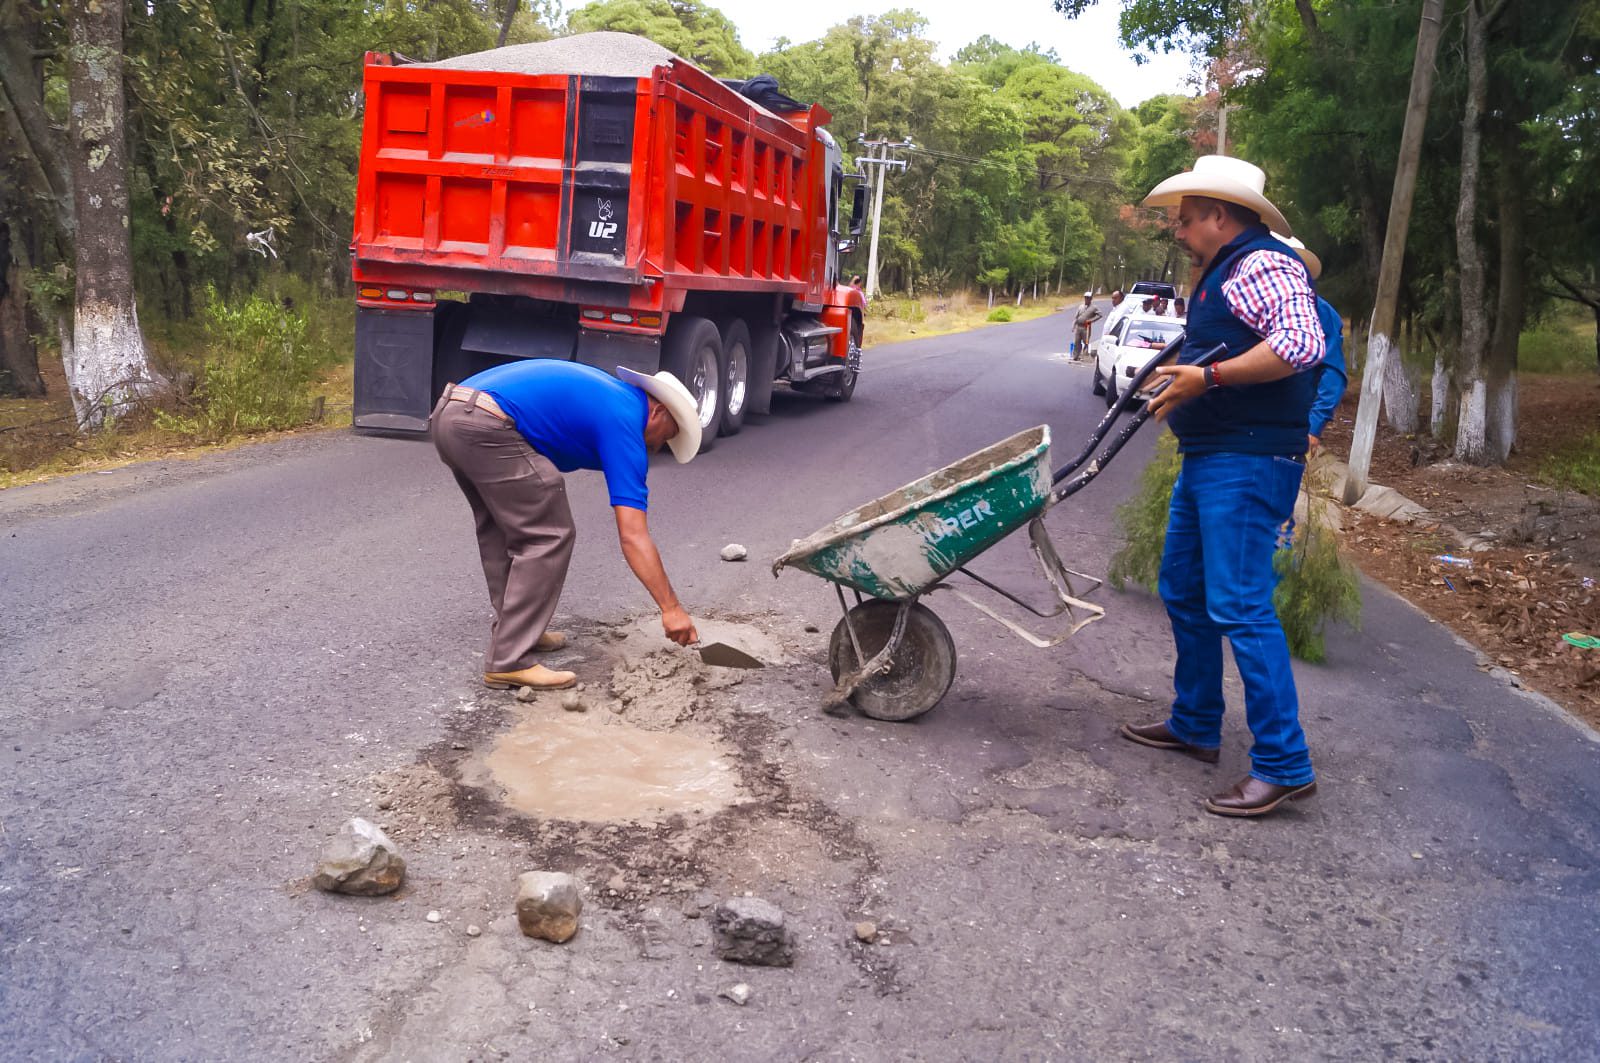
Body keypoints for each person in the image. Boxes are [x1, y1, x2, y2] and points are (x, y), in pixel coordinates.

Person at [1121, 155, 1327, 818]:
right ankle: (1196, 722)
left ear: (1218, 214)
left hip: (1248, 458)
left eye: (1186, 219)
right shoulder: (1223, 272)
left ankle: (1284, 764)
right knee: (1182, 585)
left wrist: (1205, 381)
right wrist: (1178, 376)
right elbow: (1228, 348)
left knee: (1241, 604)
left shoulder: (1264, 262)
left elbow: (1302, 342)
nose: (1178, 231)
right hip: (1211, 455)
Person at [430, 360, 703, 691]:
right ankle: (510, 660)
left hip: (451, 414)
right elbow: (633, 535)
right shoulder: (625, 421)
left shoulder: (613, 398)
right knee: (550, 533)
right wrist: (671, 609)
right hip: (485, 424)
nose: (658, 447)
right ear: (658, 411)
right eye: (666, 436)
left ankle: (516, 630)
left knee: (503, 528)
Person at [1271, 235, 1348, 453]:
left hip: (1290, 425)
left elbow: (1332, 373)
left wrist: (1314, 427)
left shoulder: (1321, 312)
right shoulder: (1254, 307)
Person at [1071, 291, 1102, 360]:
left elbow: (1100, 315)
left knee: (1086, 342)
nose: (1086, 299)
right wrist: (1073, 326)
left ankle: (1084, 356)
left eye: (1088, 298)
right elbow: (1076, 317)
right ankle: (1075, 356)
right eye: (1085, 298)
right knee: (1077, 342)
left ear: (1091, 299)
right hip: (1079, 326)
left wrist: (1091, 320)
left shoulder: (1094, 307)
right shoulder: (1081, 306)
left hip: (1086, 327)